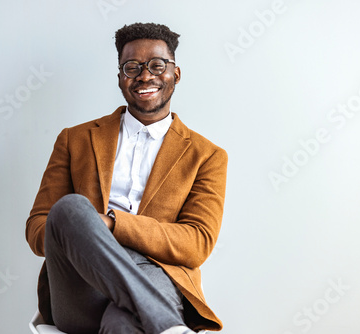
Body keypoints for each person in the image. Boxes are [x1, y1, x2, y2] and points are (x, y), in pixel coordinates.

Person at [26, 22, 228, 334]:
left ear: (176, 73)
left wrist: (112, 225)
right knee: (69, 210)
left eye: (157, 66)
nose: (145, 76)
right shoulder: (74, 140)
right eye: (132, 67)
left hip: (156, 275)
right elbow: (38, 228)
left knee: (121, 324)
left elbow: (197, 243)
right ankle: (168, 327)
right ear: (121, 77)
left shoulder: (207, 156)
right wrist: (87, 232)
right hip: (81, 286)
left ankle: (149, 314)